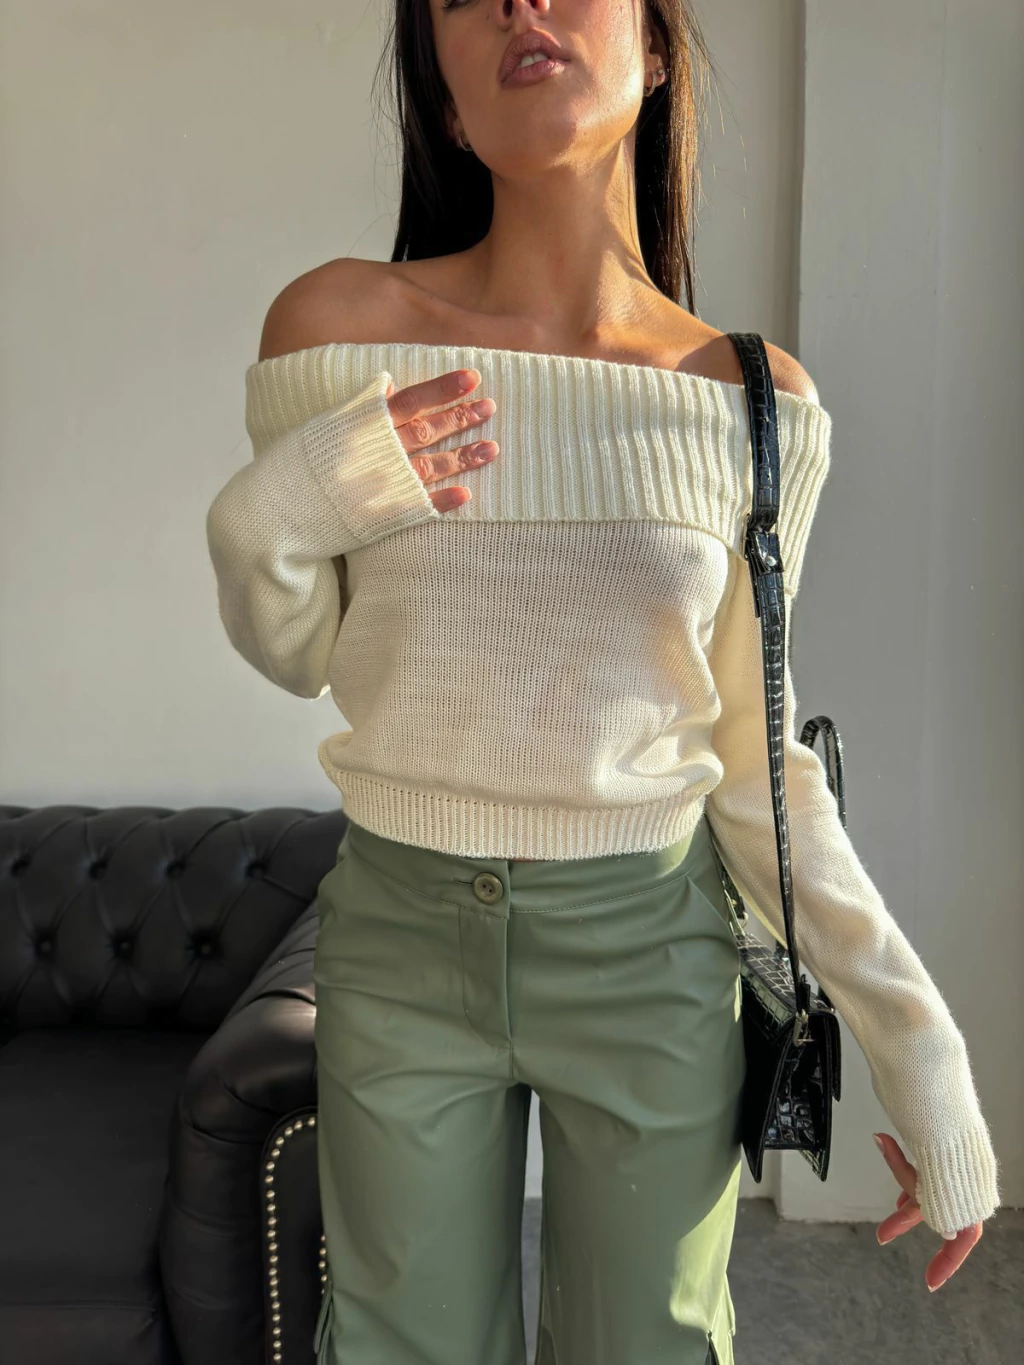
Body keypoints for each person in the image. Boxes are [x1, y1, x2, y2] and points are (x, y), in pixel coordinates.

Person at [204, 3, 1000, 1362]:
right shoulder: (337, 328)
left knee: (654, 1346)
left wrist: (924, 1057)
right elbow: (299, 650)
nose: (521, 4)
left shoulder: (755, 401)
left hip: (651, 948)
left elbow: (754, 763)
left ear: (656, 46)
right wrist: (282, 507)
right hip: (401, 938)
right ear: (447, 103)